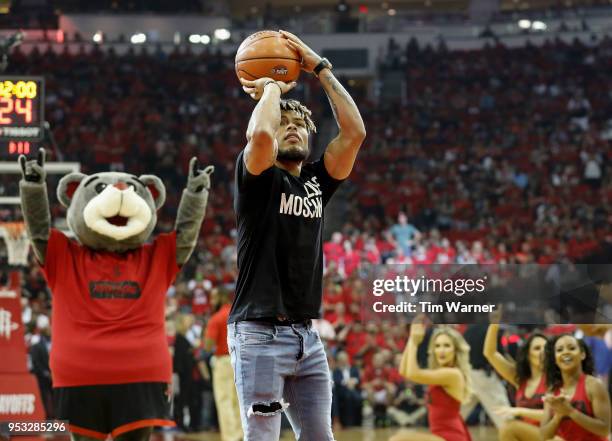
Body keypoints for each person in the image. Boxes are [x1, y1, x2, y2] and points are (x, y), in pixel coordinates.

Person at [229, 29, 366, 441]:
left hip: (307, 337)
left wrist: (319, 67)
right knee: (263, 437)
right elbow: (262, 136)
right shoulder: (256, 178)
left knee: (321, 437)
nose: (292, 129)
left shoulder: (316, 184)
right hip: (258, 334)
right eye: (285, 123)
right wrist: (271, 86)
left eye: (301, 125)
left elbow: (355, 133)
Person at [390, 317, 473, 441]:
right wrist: (411, 339)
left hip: (451, 437)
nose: (441, 350)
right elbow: (404, 371)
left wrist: (414, 342)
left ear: (456, 350)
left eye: (447, 346)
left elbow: (412, 373)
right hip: (440, 436)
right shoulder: (440, 373)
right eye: (437, 346)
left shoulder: (453, 374)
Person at [484, 323, 548, 441]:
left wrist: (519, 411)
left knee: (509, 428)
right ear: (528, 355)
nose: (542, 351)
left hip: (553, 435)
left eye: (546, 348)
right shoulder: (520, 378)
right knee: (509, 428)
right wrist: (494, 324)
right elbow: (490, 353)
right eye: (537, 348)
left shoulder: (555, 378)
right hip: (529, 435)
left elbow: (555, 415)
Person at [541, 334, 611, 441]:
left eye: (572, 348)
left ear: (582, 354)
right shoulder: (552, 391)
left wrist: (571, 412)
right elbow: (544, 436)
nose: (565, 352)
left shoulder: (594, 385)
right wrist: (558, 415)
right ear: (555, 359)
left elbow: (605, 429)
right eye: (559, 350)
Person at [203, 287, 243, 441]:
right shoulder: (238, 314)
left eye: (213, 298)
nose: (211, 302)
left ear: (220, 298)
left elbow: (208, 345)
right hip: (240, 360)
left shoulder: (216, 318)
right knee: (237, 399)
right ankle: (241, 434)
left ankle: (231, 437)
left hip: (223, 361)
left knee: (224, 400)